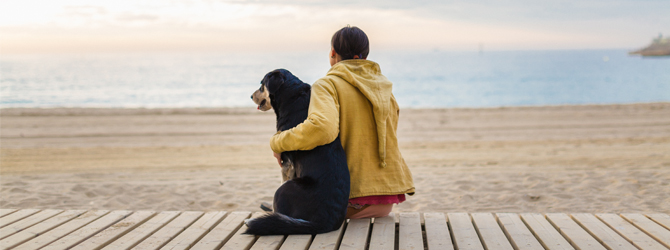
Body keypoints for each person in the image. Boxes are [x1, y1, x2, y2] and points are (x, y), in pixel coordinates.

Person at [270, 26, 415, 219]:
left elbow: (321, 129)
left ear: (332, 53)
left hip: (348, 199)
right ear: (364, 56)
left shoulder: (327, 84)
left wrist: (278, 142)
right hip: (385, 202)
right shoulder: (385, 88)